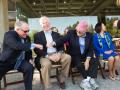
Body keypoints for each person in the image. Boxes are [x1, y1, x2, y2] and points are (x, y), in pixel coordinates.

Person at [51, 21, 99, 90]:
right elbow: (62, 39)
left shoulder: (89, 35)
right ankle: (88, 79)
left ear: (85, 31)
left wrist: (87, 60)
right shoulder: (71, 33)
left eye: (80, 32)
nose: (77, 32)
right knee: (79, 64)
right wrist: (54, 43)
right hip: (75, 55)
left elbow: (91, 48)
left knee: (95, 60)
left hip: (85, 55)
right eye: (77, 31)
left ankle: (86, 81)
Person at [0, 21, 43, 90]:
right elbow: (16, 46)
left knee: (29, 67)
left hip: (20, 61)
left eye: (28, 31)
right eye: (25, 31)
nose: (27, 33)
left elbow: (28, 51)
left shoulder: (27, 37)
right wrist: (34, 45)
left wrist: (30, 59)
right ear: (17, 29)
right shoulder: (9, 35)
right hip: (7, 61)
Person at [34, 16, 71, 90]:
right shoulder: (37, 35)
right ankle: (47, 87)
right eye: (43, 23)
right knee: (46, 64)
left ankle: (61, 79)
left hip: (56, 53)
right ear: (41, 25)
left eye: (47, 22)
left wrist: (59, 54)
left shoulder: (56, 34)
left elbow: (61, 46)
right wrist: (48, 56)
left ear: (50, 23)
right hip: (44, 56)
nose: (45, 24)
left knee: (68, 57)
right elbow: (37, 50)